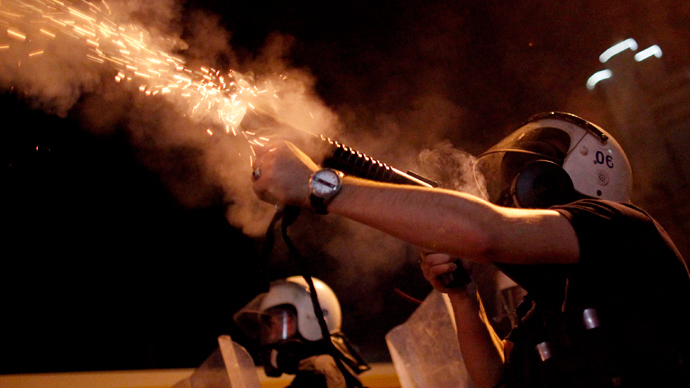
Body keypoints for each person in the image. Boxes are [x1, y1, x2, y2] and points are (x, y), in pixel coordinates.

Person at [250, 111, 690, 388]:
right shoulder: (547, 308)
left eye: (523, 182)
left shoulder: (624, 230)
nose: (507, 197)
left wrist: (321, 187)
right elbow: (495, 379)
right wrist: (464, 299)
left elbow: (486, 230)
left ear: (556, 185)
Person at [233, 276, 369, 388]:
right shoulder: (320, 371)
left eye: (282, 320)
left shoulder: (321, 371)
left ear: (313, 320)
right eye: (270, 325)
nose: (273, 334)